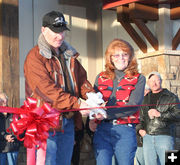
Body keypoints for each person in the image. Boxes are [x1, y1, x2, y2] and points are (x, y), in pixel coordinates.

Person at [24, 11, 94, 165]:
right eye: (55, 31)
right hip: (45, 124)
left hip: (68, 122)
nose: (60, 36)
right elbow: (46, 91)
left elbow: (82, 81)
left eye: (62, 31)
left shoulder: (70, 55)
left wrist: (94, 99)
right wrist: (78, 104)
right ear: (43, 30)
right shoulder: (34, 57)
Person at [89, 39, 146, 165]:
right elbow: (94, 102)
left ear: (130, 57)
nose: (121, 58)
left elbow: (133, 106)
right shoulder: (100, 77)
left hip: (125, 130)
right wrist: (92, 119)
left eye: (125, 54)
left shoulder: (139, 78)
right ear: (110, 58)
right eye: (116, 55)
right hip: (102, 129)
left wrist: (105, 114)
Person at [136, 71, 180, 165]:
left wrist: (160, 114)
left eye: (157, 80)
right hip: (147, 137)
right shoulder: (144, 98)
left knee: (171, 162)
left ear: (161, 81)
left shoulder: (172, 97)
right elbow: (140, 118)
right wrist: (140, 130)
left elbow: (178, 115)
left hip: (166, 137)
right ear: (148, 83)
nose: (154, 83)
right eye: (152, 81)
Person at [0, 92, 20, 165]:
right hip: (1, 149)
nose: (4, 101)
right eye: (1, 99)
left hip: (13, 147)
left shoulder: (15, 114)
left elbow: (22, 130)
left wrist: (13, 137)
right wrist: (5, 136)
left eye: (5, 99)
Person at [135, 86, 150, 165]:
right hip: (140, 140)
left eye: (147, 91)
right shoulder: (136, 104)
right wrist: (139, 130)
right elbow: (135, 120)